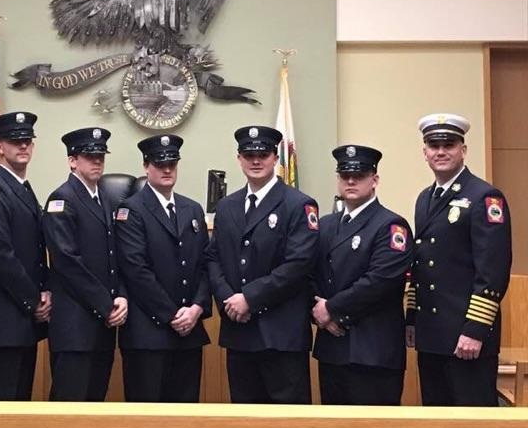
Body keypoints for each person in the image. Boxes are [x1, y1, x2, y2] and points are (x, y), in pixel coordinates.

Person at [207, 125, 319, 404]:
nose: (256, 161)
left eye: (263, 154)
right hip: (240, 331)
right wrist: (228, 301)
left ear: (275, 158)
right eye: (248, 154)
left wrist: (249, 298)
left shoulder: (299, 204)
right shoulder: (227, 206)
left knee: (289, 426)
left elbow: (298, 264)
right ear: (239, 158)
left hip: (281, 335)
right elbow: (213, 257)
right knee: (245, 423)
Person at [406, 113, 512, 406]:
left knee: (474, 422)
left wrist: (475, 330)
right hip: (432, 336)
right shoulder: (425, 198)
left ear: (463, 149)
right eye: (433, 145)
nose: (441, 152)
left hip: (466, 337)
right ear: (424, 152)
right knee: (436, 422)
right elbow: (422, 263)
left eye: (449, 144)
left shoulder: (484, 197)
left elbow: (493, 272)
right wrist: (413, 318)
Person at [312, 145, 413, 405]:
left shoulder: (391, 225)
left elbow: (380, 281)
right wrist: (320, 315)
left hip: (373, 351)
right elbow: (308, 275)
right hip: (333, 347)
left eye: (359, 175)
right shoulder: (326, 225)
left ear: (375, 180)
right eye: (344, 175)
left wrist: (332, 309)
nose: (351, 180)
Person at [114, 134, 210, 402]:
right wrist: (172, 315)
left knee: (185, 416)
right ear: (146, 166)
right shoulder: (131, 210)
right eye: (159, 164)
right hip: (149, 333)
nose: (167, 169)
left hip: (189, 331)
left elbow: (205, 264)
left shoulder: (192, 209)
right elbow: (136, 270)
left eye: (172, 163)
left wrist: (196, 308)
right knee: (146, 419)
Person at [42, 127, 127, 401]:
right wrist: (106, 303)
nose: (97, 161)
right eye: (90, 156)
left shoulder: (106, 199)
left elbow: (115, 259)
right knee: (69, 408)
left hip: (101, 325)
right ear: (72, 161)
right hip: (75, 326)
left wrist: (120, 296)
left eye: (101, 156)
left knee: (95, 411)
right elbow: (68, 262)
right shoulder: (61, 199)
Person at [0, 111, 50, 400]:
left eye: (27, 141)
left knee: (19, 409)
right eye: (14, 141)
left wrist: (45, 292)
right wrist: (34, 300)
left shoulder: (23, 190)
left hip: (23, 320)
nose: (23, 146)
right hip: (3, 321)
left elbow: (35, 252)